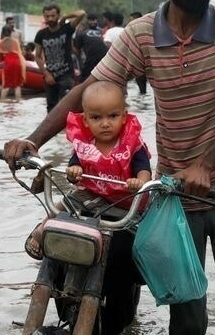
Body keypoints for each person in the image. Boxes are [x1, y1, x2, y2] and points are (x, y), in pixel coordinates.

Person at [2, 0, 215, 335]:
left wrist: (205, 163)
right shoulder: (143, 34)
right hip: (174, 199)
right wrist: (31, 141)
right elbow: (90, 89)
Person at [25, 80, 152, 259]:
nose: (105, 123)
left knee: (143, 237)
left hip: (125, 200)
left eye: (113, 116)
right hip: (92, 195)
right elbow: (74, 167)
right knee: (68, 200)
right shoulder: (84, 144)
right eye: (96, 118)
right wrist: (74, 172)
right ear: (85, 120)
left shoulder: (132, 145)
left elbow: (144, 169)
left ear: (124, 117)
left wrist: (140, 182)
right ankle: (42, 228)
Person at [34, 4, 86, 112]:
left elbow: (82, 13)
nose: (50, 19)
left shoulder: (67, 29)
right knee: (51, 108)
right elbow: (37, 57)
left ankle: (69, 127)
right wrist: (46, 74)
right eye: (47, 16)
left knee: (67, 105)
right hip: (50, 75)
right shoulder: (41, 34)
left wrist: (66, 17)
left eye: (53, 16)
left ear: (58, 15)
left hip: (66, 74)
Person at [73, 15, 107, 82]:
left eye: (94, 20)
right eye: (91, 20)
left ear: (96, 20)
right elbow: (77, 50)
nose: (92, 22)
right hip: (91, 59)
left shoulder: (102, 31)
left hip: (101, 59)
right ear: (87, 21)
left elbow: (77, 50)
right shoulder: (81, 33)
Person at [0, 25, 25, 101]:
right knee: (17, 85)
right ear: (11, 32)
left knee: (6, 85)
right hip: (17, 62)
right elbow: (19, 53)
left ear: (2, 32)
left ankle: (2, 101)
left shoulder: (1, 42)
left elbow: (0, 57)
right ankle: (18, 100)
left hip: (8, 63)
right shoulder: (15, 41)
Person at [127, 11, 148, 95]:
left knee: (142, 87)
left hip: (142, 63)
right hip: (139, 62)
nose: (129, 22)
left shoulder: (141, 30)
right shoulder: (134, 30)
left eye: (131, 19)